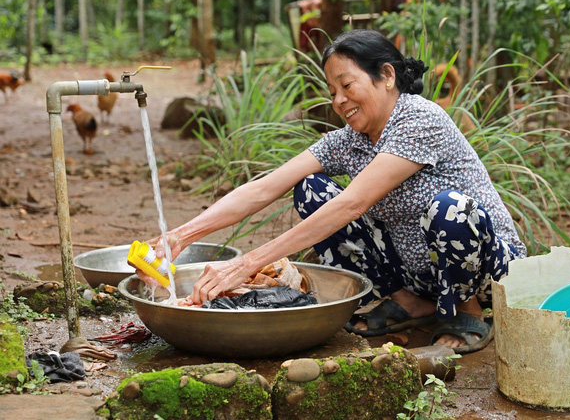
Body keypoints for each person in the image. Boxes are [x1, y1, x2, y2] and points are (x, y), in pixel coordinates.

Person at [146, 29, 526, 354]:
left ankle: (468, 310)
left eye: (347, 85)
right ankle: (412, 302)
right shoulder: (350, 140)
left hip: (487, 270)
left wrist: (244, 265)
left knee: (450, 209)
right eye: (332, 91)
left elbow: (353, 202)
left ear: (387, 76)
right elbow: (265, 187)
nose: (339, 100)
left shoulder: (420, 118)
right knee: (310, 188)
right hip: (417, 270)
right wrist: (180, 236)